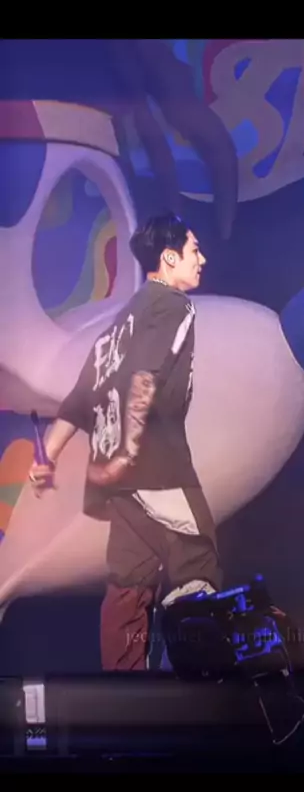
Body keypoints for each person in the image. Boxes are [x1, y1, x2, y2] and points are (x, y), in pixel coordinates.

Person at [28, 212, 223, 671]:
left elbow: (78, 401)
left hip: (119, 485)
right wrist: (131, 451)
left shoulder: (116, 328)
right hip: (155, 467)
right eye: (194, 250)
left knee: (128, 585)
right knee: (197, 564)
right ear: (169, 258)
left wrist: (46, 457)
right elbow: (145, 377)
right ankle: (202, 689)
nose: (202, 259)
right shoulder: (173, 305)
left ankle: (123, 692)